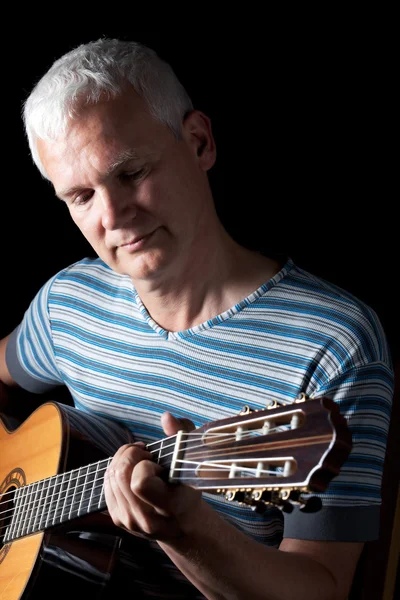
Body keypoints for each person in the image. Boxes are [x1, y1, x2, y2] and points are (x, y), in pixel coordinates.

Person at [0, 38, 394, 600]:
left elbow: (321, 589)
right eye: (81, 196)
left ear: (200, 141)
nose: (113, 216)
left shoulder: (332, 341)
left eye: (131, 172)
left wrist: (186, 529)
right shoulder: (68, 303)